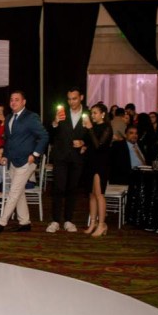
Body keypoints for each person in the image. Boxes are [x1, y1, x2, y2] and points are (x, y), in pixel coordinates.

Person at [0, 91, 49, 234]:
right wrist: (5, 155)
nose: (13, 102)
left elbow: (44, 136)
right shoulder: (9, 117)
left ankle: (1, 222)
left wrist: (34, 155)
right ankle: (25, 222)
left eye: (17, 100)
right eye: (11, 100)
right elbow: (8, 140)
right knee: (19, 192)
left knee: (14, 192)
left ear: (24, 102)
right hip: (13, 161)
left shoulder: (31, 117)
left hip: (26, 162)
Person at [46, 87, 89, 233]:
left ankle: (69, 220)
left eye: (74, 98)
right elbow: (50, 133)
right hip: (61, 156)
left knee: (72, 189)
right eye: (69, 99)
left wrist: (84, 143)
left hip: (77, 157)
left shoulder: (88, 113)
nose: (71, 102)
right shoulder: (61, 112)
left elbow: (94, 135)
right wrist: (55, 122)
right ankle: (55, 221)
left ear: (81, 97)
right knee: (58, 188)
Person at [82, 103, 113, 237]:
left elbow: (99, 145)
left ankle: (102, 224)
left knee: (99, 194)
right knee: (92, 195)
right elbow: (89, 143)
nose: (92, 115)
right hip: (91, 162)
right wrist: (83, 145)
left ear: (103, 114)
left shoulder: (107, 128)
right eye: (92, 113)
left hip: (101, 164)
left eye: (95, 113)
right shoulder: (93, 127)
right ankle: (93, 223)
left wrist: (89, 128)